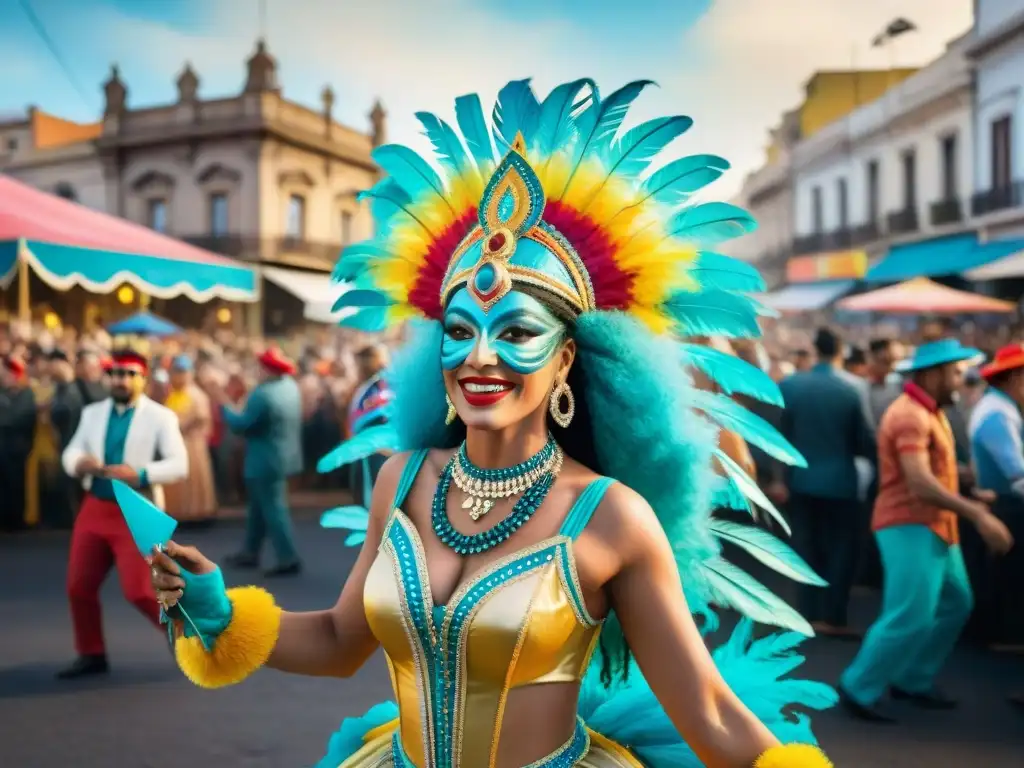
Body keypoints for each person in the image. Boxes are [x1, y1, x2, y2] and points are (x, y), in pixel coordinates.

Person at [148, 80, 832, 767]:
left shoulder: (612, 517)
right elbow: (336, 640)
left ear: (567, 359)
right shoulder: (401, 480)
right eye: (459, 329)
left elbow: (709, 712)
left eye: (515, 332)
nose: (480, 356)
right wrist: (221, 613)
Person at [839, 339, 1014, 722]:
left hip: (934, 524)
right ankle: (859, 684)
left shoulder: (929, 411)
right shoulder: (910, 415)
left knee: (956, 603)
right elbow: (918, 482)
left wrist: (969, 485)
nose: (960, 379)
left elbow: (933, 473)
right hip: (908, 524)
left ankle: (912, 678)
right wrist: (978, 514)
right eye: (954, 372)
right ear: (933, 374)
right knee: (910, 614)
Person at [57, 347, 188, 679]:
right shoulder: (93, 413)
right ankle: (91, 653)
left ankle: (187, 640)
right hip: (95, 506)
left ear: (142, 378)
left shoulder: (161, 416)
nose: (121, 380)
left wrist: (140, 474)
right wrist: (78, 463)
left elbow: (179, 464)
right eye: (115, 373)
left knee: (140, 591)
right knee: (78, 586)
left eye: (129, 374)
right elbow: (72, 450)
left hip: (137, 509)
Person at [773, 328, 875, 637]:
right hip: (841, 482)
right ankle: (833, 615)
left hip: (800, 481)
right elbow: (864, 441)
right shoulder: (851, 389)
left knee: (805, 545)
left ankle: (808, 611)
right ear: (840, 351)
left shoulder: (790, 385)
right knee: (842, 549)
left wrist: (778, 479)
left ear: (815, 350)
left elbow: (778, 437)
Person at [968, 343, 1024, 708]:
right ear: (1015, 378)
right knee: (1011, 576)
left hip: (1001, 501)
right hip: (1007, 505)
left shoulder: (996, 408)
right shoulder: (999, 415)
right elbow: (1017, 474)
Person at [220, 347, 303, 576]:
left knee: (274, 509)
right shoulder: (290, 386)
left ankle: (288, 556)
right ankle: (250, 550)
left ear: (266, 369)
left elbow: (241, 425)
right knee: (258, 508)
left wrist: (225, 407)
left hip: (264, 460)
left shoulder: (263, 394)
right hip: (283, 456)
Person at [162, 355, 217, 523]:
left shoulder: (196, 394)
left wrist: (182, 427)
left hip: (192, 444)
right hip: (175, 443)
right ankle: (178, 511)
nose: (176, 376)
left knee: (193, 480)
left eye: (181, 372)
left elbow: (201, 417)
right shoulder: (172, 394)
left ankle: (197, 512)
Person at [0, 356, 37, 532]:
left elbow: (18, 418)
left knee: (16, 485)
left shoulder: (26, 394)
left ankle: (16, 521)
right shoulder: (3, 394)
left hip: (17, 449)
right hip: (3, 447)